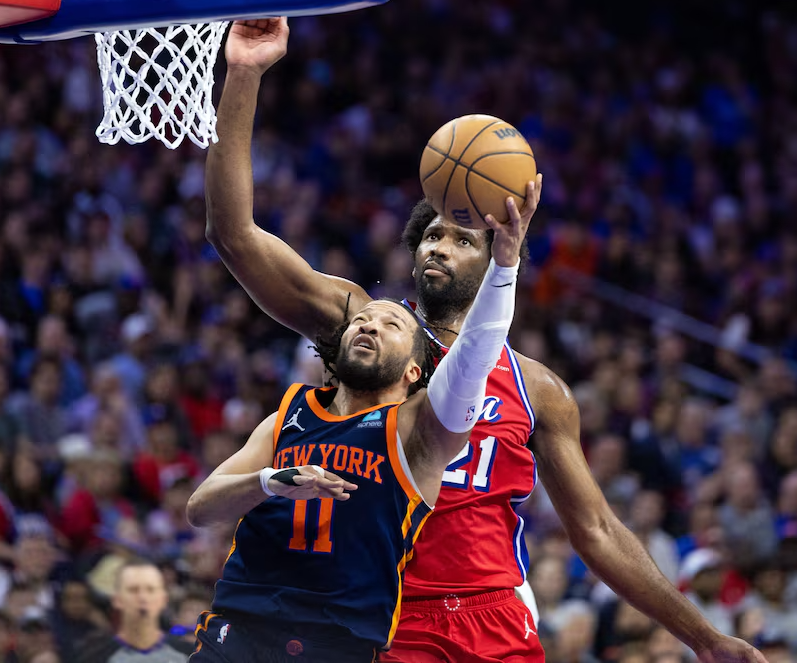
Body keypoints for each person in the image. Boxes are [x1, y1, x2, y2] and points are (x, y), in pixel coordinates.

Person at [206, 16, 766, 663]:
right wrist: (244, 73)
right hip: (384, 618)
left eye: (461, 238)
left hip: (494, 618)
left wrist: (706, 638)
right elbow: (233, 235)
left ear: (500, 251)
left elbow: (597, 530)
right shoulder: (365, 324)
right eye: (431, 236)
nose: (439, 247)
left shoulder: (538, 387)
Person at [186, 172, 527, 660]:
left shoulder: (417, 432)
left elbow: (474, 355)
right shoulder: (290, 415)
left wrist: (505, 267)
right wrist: (269, 482)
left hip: (337, 645)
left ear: (415, 370)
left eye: (392, 324)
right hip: (240, 631)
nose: (370, 325)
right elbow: (200, 509)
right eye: (363, 320)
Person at [75, 560, 192, 663]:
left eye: (150, 590)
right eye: (133, 590)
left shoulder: (190, 655)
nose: (142, 598)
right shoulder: (93, 657)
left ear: (164, 599)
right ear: (117, 599)